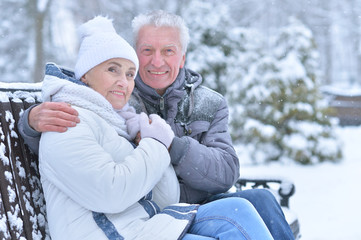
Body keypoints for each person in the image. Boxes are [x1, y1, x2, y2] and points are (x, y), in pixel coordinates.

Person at [18, 10, 294, 239]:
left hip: (192, 205)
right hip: (148, 212)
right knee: (239, 215)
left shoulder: (209, 103)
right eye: (147, 50)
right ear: (136, 53)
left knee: (261, 201)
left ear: (182, 57)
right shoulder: (118, 99)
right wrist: (30, 122)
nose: (157, 61)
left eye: (168, 51)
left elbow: (226, 172)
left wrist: (173, 145)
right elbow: (73, 132)